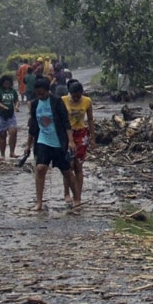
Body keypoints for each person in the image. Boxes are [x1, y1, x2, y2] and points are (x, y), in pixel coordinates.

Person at [24, 77, 76, 212]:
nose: (40, 96)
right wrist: (28, 145)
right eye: (37, 94)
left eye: (42, 93)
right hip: (42, 141)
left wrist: (70, 141)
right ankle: (39, 202)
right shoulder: (35, 104)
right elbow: (33, 126)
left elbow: (66, 122)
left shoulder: (57, 102)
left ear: (48, 91)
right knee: (40, 168)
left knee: (67, 172)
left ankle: (77, 198)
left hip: (58, 142)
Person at [62, 78, 95, 207]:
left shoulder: (87, 101)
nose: (76, 98)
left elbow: (90, 119)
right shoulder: (63, 100)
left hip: (81, 134)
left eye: (78, 95)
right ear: (70, 93)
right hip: (67, 135)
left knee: (78, 166)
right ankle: (67, 193)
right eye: (74, 95)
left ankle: (78, 196)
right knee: (68, 166)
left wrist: (93, 137)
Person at [0, 74, 19, 159]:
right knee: (2, 134)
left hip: (10, 114)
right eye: (5, 83)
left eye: (9, 83)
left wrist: (16, 106)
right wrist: (3, 107)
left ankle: (12, 152)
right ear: (2, 83)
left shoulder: (12, 91)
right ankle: (2, 154)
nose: (7, 85)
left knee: (13, 132)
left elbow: (16, 100)